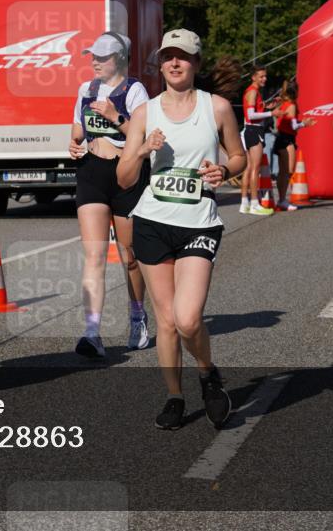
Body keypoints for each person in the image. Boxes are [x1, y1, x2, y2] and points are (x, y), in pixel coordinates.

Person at [117, 29, 247, 430]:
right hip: (153, 222)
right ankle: (174, 396)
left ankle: (207, 372)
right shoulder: (145, 113)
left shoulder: (218, 107)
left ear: (196, 63)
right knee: (167, 321)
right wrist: (140, 150)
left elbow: (240, 156)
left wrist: (223, 169)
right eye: (168, 57)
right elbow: (123, 180)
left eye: (183, 57)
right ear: (161, 64)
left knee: (188, 317)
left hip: (199, 223)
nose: (175, 63)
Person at [68, 32, 151, 357]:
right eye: (93, 56)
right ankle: (92, 332)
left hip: (126, 176)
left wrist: (115, 118)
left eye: (102, 57)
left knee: (130, 257)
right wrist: (74, 145)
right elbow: (77, 129)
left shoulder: (134, 90)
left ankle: (137, 315)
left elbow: (141, 133)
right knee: (95, 255)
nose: (95, 62)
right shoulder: (85, 89)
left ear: (119, 59)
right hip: (91, 175)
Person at [271, 78, 315, 211]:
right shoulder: (291, 105)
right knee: (288, 171)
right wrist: (304, 123)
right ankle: (282, 200)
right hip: (287, 139)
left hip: (281, 138)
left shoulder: (283, 104)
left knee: (283, 172)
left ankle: (281, 199)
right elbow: (294, 125)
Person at [239, 66, 277, 216]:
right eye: (261, 76)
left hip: (250, 130)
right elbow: (251, 115)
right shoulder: (253, 91)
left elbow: (254, 112)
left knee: (249, 168)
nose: (264, 79)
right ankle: (255, 203)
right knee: (255, 168)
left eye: (265, 76)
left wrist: (267, 107)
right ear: (253, 77)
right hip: (254, 130)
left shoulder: (252, 92)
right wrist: (271, 113)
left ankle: (244, 203)